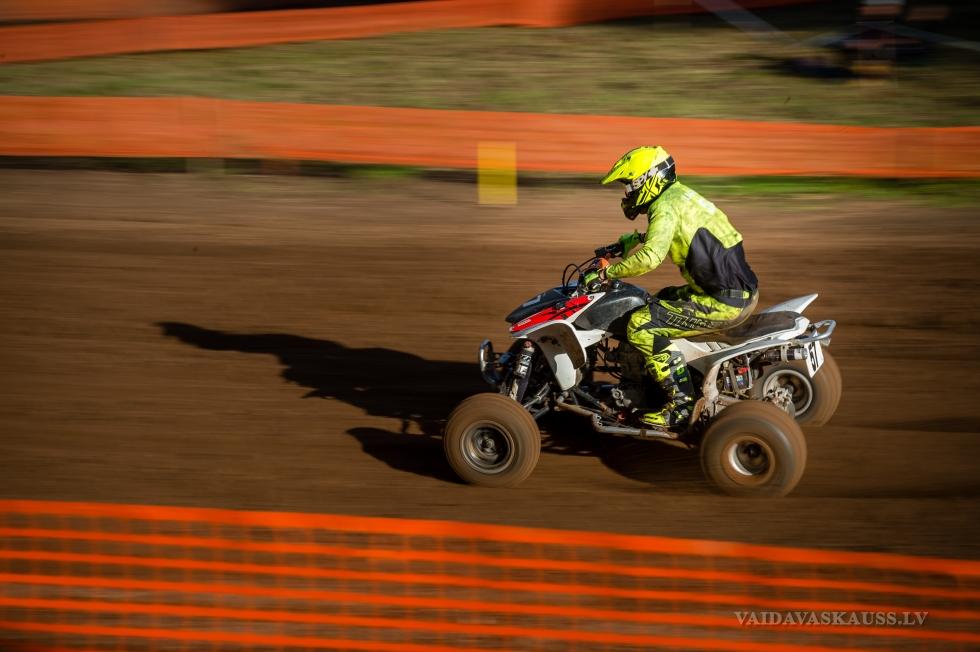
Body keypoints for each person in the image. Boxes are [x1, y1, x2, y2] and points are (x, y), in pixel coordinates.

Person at [584, 146, 758, 428]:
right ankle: (658, 375)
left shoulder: (663, 207)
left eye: (630, 185)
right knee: (657, 300)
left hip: (723, 303)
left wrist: (607, 273)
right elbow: (670, 234)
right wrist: (628, 242)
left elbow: (651, 257)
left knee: (640, 325)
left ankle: (681, 404)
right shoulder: (679, 195)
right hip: (736, 292)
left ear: (648, 180)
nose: (627, 193)